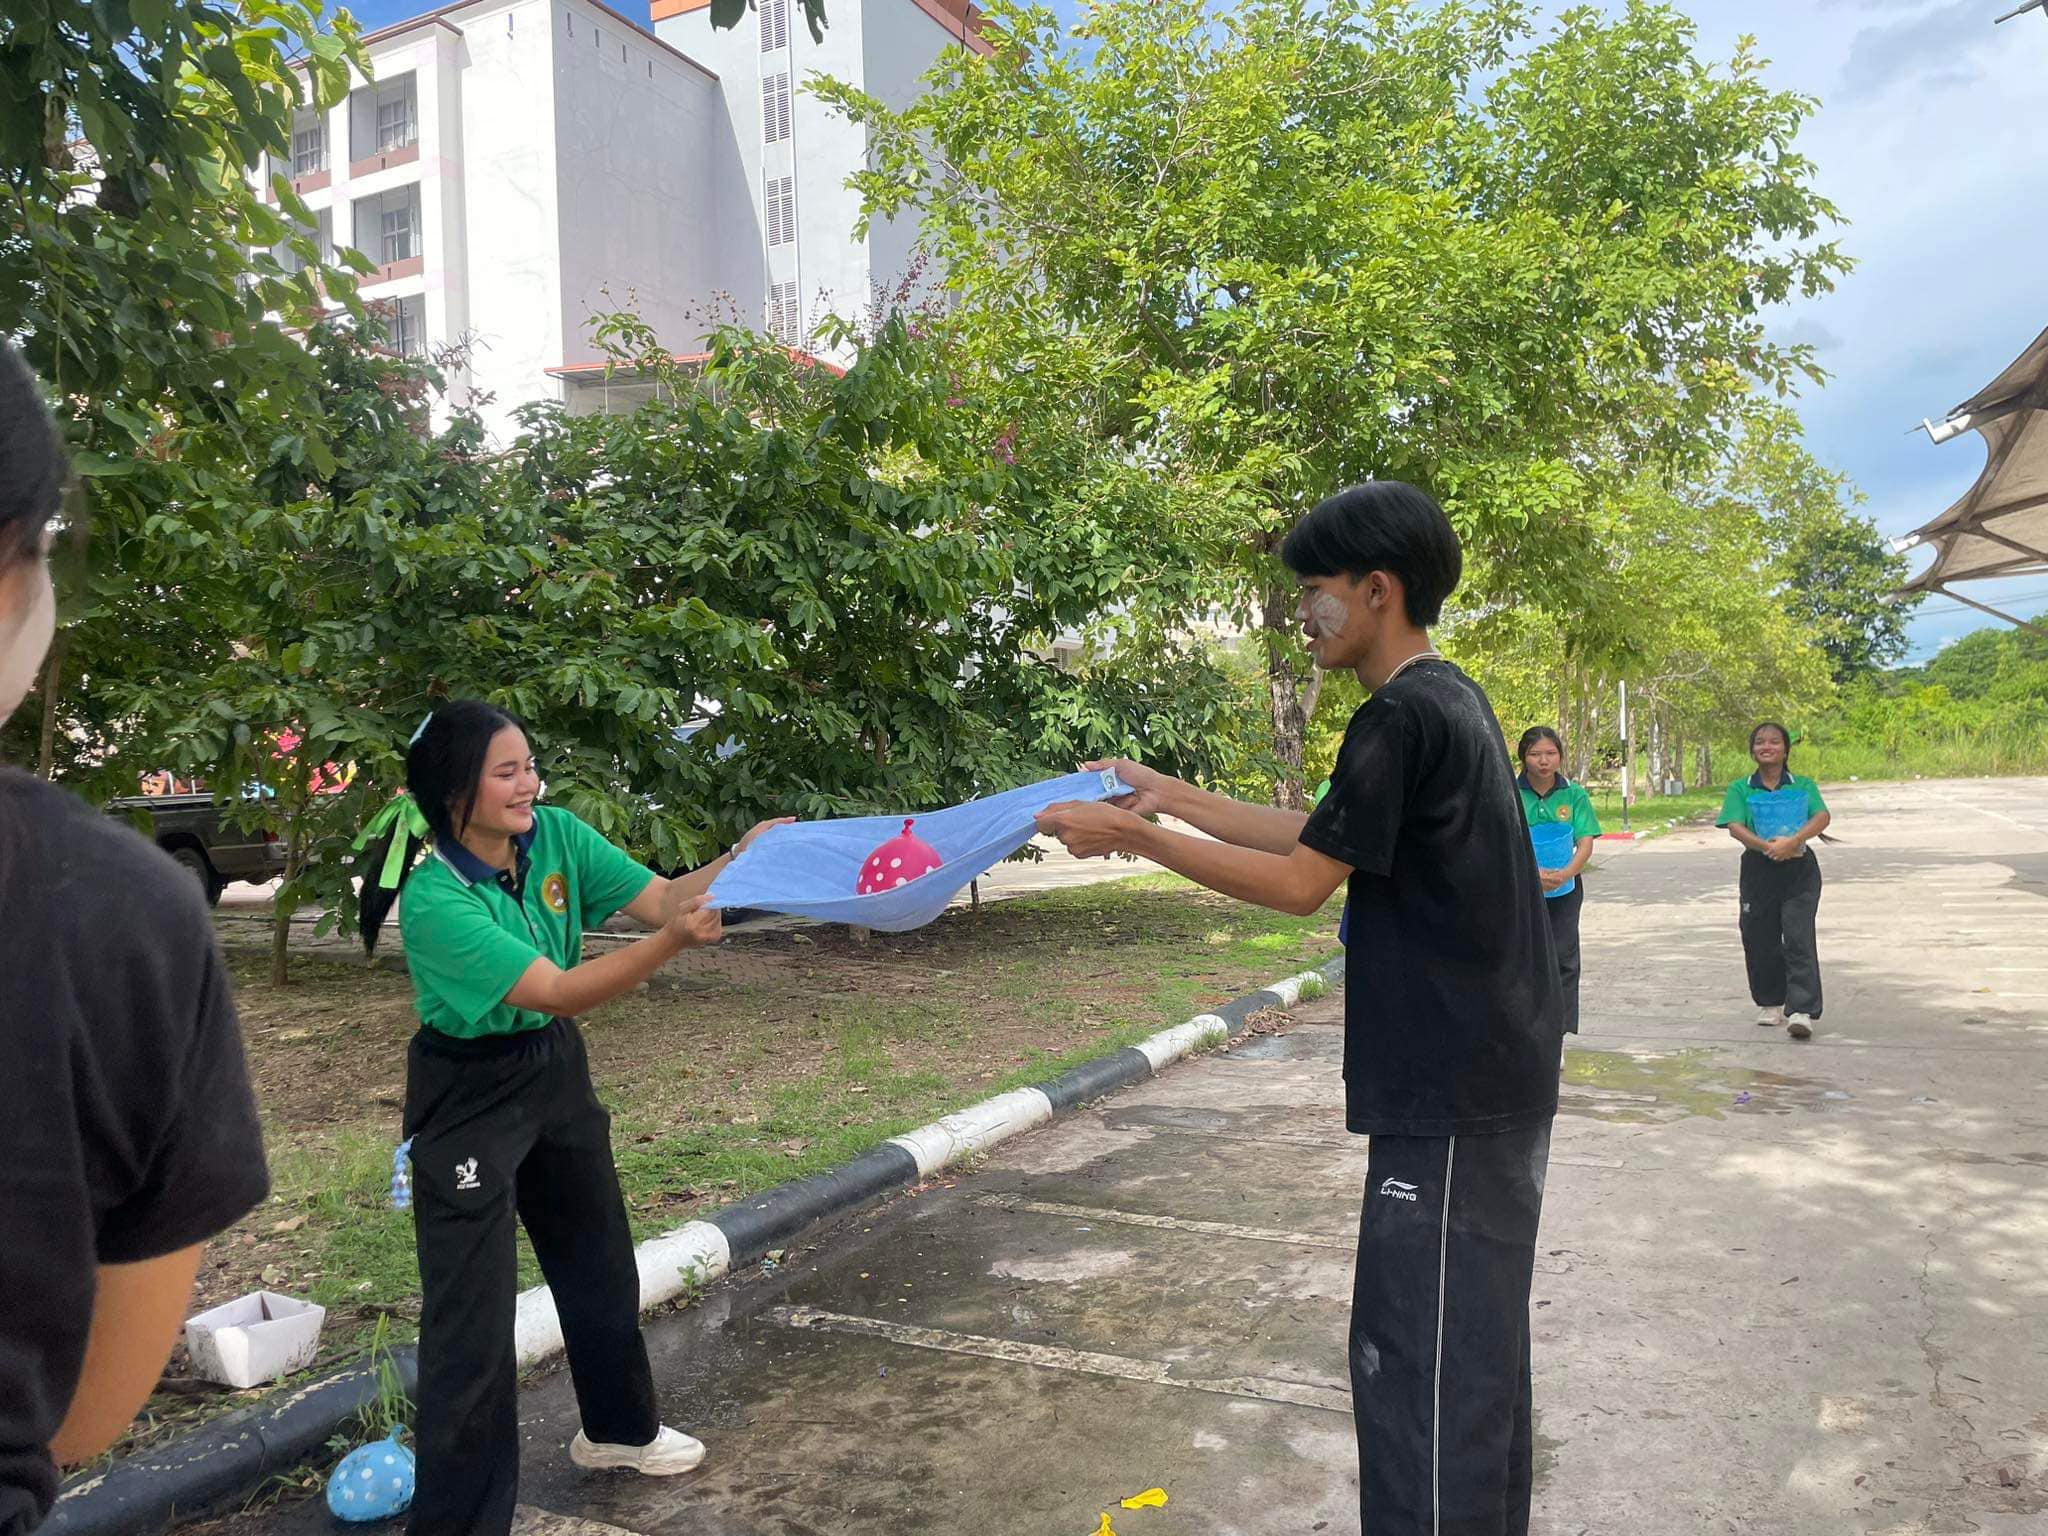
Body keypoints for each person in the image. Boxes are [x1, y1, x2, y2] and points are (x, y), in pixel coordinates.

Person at [1036, 481, 1561, 1536]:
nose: (1302, 616)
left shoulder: (1399, 713)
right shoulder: (1444, 699)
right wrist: (1164, 793)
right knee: (1472, 1359)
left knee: (1418, 1366)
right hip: (1482, 1080)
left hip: (1449, 1093)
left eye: (1314, 592)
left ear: (1376, 590)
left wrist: (1131, 840)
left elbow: (1297, 885)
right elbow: (1316, 833)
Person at [355, 700, 789, 1536]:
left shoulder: (554, 836)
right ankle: (459, 1521)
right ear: (456, 791)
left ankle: (618, 1432)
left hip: (552, 1068)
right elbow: (558, 987)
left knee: (598, 1261)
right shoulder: (437, 900)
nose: (529, 784)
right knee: (470, 1325)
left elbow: (664, 898)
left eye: (529, 766)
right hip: (467, 1092)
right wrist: (673, 947)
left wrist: (742, 859)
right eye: (507, 771)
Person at [0, 344, 271, 1534]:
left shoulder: (554, 850)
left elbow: (646, 893)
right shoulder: (109, 923)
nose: (525, 785)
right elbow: (85, 1404)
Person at [1716, 720, 1830, 1040]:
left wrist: (1792, 843)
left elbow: (1821, 816)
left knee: (1798, 936)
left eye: (1774, 742)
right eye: (1760, 742)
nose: (1766, 747)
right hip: (1758, 869)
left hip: (1799, 870)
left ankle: (1802, 1010)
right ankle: (1769, 1002)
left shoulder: (1803, 785)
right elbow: (1734, 825)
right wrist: (1767, 847)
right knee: (1758, 937)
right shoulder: (1741, 788)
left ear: (1785, 749)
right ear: (1752, 750)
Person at [1516, 726, 1601, 1036]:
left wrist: (1566, 873)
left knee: (1564, 960)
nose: (1543, 761)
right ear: (1523, 758)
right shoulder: (1510, 794)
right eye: (1535, 754)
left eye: (1550, 753)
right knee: (1525, 959)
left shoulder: (1574, 794)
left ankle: (1559, 1034)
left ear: (1560, 757)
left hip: (1566, 891)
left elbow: (1586, 841)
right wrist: (1533, 875)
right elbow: (1507, 842)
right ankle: (1527, 1029)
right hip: (1523, 891)